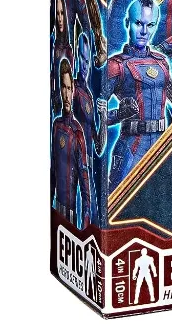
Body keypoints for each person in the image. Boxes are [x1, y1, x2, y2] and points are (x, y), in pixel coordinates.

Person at [104, 0, 172, 189]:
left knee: (163, 198)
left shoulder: (161, 62)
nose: (144, 31)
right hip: (132, 146)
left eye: (150, 25)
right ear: (127, 23)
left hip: (161, 144)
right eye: (139, 23)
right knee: (121, 199)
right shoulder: (116, 65)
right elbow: (95, 119)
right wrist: (120, 114)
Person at [72, 32, 107, 225]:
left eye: (87, 59)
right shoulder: (73, 90)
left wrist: (103, 116)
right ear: (77, 57)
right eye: (82, 58)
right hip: (74, 162)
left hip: (88, 163)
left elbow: (99, 146)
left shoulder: (89, 95)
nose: (85, 64)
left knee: (91, 213)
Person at [51, 60, 91, 229]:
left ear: (73, 90)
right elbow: (53, 171)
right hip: (56, 213)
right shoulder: (56, 125)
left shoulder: (77, 133)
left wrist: (86, 225)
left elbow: (85, 185)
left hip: (70, 218)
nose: (66, 94)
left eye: (69, 88)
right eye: (63, 88)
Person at [51, 0, 73, 113]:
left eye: (62, 13)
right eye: (57, 13)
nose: (60, 19)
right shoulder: (54, 47)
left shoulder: (69, 51)